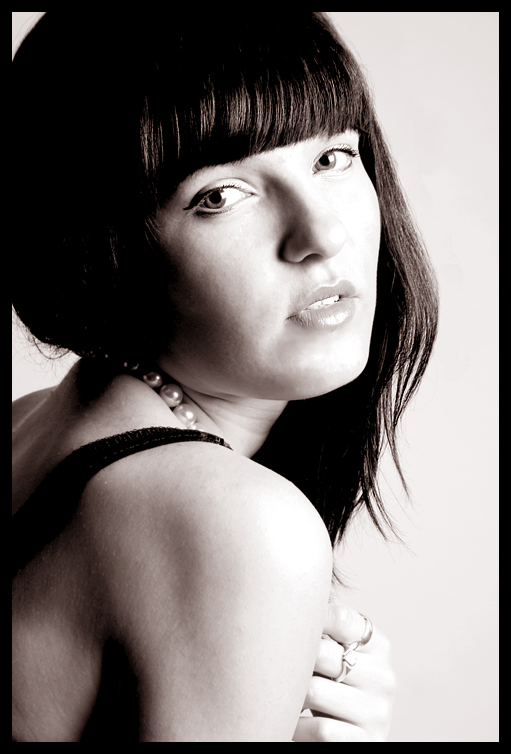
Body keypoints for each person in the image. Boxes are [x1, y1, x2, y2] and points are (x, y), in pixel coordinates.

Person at [11, 11, 438, 742]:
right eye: (220, 195)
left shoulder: (31, 423)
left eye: (332, 157)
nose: (322, 234)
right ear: (106, 244)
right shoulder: (238, 523)